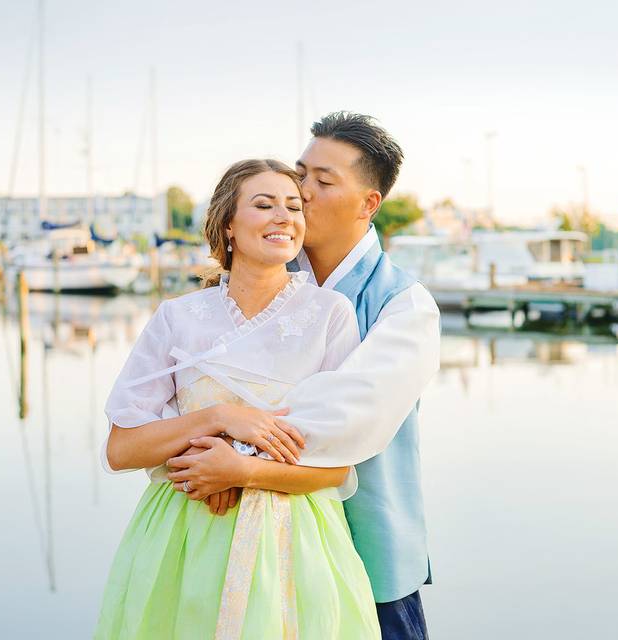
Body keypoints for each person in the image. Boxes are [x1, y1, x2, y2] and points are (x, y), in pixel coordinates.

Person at [167, 112, 441, 640]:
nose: (301, 191)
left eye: (323, 181)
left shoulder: (403, 304)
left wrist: (231, 458)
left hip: (365, 558)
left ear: (369, 204)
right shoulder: (260, 280)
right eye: (301, 173)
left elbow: (346, 413)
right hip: (247, 549)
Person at [94, 159, 381, 639]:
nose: (283, 217)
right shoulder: (177, 318)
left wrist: (237, 467)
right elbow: (121, 450)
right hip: (185, 532)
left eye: (294, 206)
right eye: (263, 205)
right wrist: (218, 419)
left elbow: (338, 466)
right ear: (227, 224)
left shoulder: (330, 314)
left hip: (293, 538)